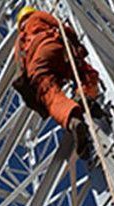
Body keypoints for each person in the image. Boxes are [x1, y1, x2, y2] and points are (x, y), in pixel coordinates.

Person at [13, 5, 101, 156]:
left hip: (37, 64)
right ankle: (85, 95)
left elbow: (21, 70)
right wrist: (77, 47)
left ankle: (72, 119)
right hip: (54, 46)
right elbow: (61, 27)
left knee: (49, 94)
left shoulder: (19, 42)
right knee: (82, 71)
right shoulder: (38, 16)